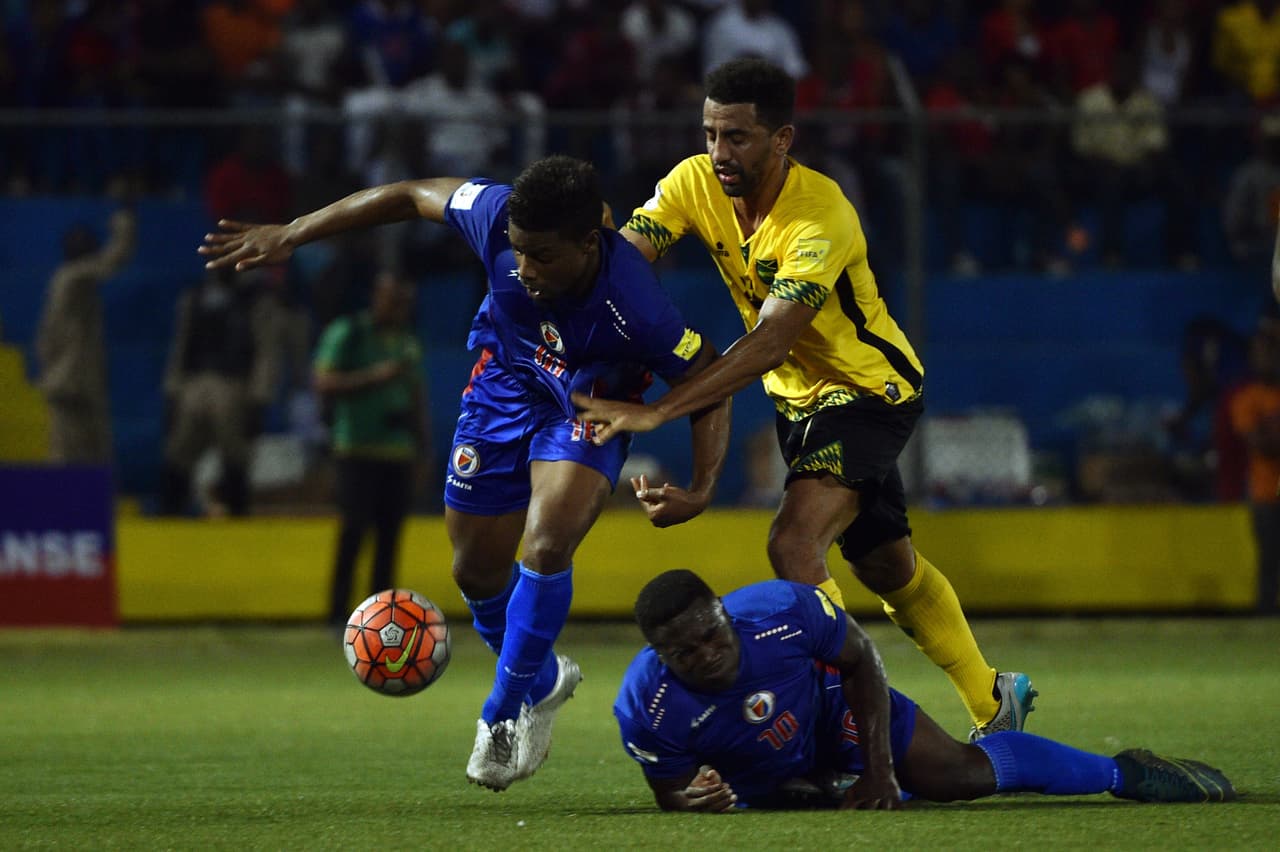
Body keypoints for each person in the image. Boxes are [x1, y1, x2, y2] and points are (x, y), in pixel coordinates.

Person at [199, 155, 731, 792]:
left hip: (588, 405)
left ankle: (500, 714)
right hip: (501, 389)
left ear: (589, 243)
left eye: (543, 256)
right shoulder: (496, 214)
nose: (524, 269)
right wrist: (293, 231)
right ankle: (541, 681)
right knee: (474, 570)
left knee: (546, 541)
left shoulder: (636, 306)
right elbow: (407, 194)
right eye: (519, 252)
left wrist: (702, 486)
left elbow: (709, 377)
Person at [574, 57, 1032, 741]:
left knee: (793, 543)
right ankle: (995, 700)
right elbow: (624, 261)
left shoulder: (820, 215)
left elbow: (771, 342)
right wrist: (578, 256)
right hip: (798, 403)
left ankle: (847, 724)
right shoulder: (694, 182)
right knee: (884, 565)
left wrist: (661, 409)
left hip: (866, 390)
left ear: (782, 139)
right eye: (710, 134)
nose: (719, 153)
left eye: (737, 137)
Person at [615, 569, 1236, 811]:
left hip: (830, 707)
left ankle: (1124, 772)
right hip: (762, 775)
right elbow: (672, 790)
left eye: (711, 635)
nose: (705, 655)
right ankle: (826, 786)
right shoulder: (648, 705)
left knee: (957, 776)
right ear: (658, 656)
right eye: (683, 653)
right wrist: (693, 798)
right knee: (810, 801)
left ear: (724, 612)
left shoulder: (783, 610)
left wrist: (880, 770)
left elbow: (862, 660)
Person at [314, 270, 430, 627]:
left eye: (404, 303)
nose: (398, 308)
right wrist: (375, 376)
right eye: (392, 300)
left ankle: (380, 617)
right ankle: (338, 614)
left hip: (397, 452)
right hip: (356, 448)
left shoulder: (407, 342)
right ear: (377, 297)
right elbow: (323, 381)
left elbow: (417, 399)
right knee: (353, 532)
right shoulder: (348, 333)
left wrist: (423, 451)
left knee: (389, 538)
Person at [159, 267, 281, 517]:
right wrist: (173, 389)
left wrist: (259, 396)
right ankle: (171, 513)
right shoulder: (195, 297)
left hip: (233, 383)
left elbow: (265, 351)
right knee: (179, 451)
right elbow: (181, 345)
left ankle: (236, 513)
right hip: (194, 383)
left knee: (235, 453)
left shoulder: (254, 300)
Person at [35, 205, 136, 464]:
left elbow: (45, 340)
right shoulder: (71, 277)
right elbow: (113, 260)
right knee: (68, 455)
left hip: (75, 379)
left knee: (90, 455)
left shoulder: (65, 282)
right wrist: (124, 221)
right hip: (71, 381)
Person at [1228, 325, 1280, 613]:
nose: (1267, 358)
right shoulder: (1246, 399)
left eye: (1272, 351)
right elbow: (1262, 445)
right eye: (1261, 352)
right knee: (1269, 559)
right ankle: (1265, 615)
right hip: (1266, 493)